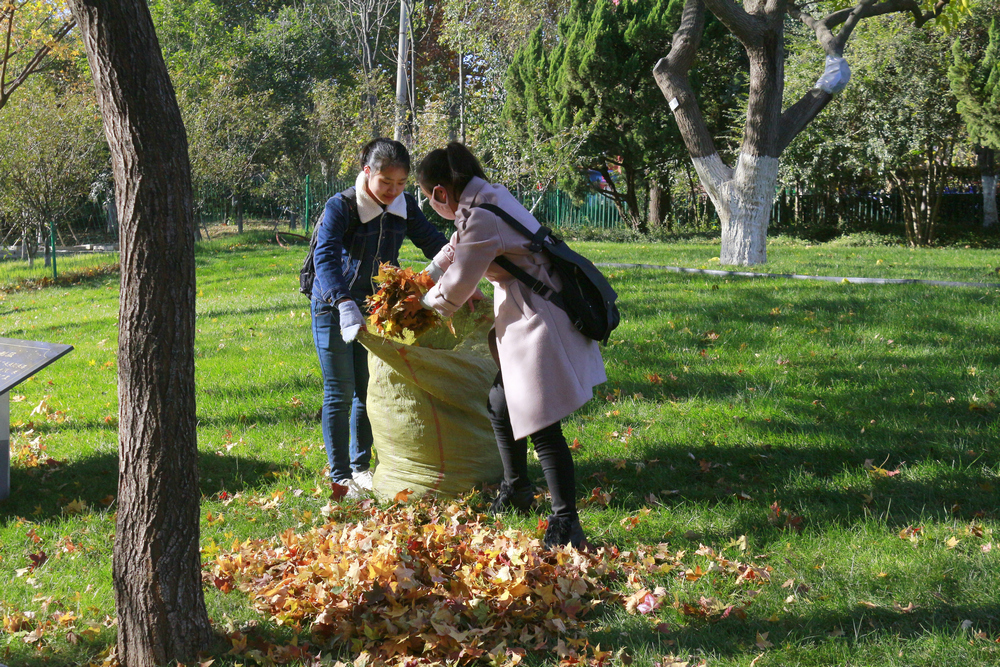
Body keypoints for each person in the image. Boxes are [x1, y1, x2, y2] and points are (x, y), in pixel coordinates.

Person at [416, 143, 607, 549]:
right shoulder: (486, 199)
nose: (430, 205)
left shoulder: (483, 215)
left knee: (541, 422)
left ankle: (566, 524)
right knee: (501, 403)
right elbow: (458, 244)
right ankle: (517, 488)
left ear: (440, 193)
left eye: (427, 197)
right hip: (527, 311)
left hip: (540, 318)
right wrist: (424, 275)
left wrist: (420, 306)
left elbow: (460, 282)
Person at [311, 138, 449, 498]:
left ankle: (361, 469)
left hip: (375, 307)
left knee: (367, 388)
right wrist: (343, 302)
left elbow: (433, 242)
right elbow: (325, 257)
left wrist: (462, 267)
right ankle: (340, 476)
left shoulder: (404, 207)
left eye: (401, 183)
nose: (393, 190)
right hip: (332, 305)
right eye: (386, 182)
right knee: (339, 390)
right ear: (367, 172)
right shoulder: (341, 206)